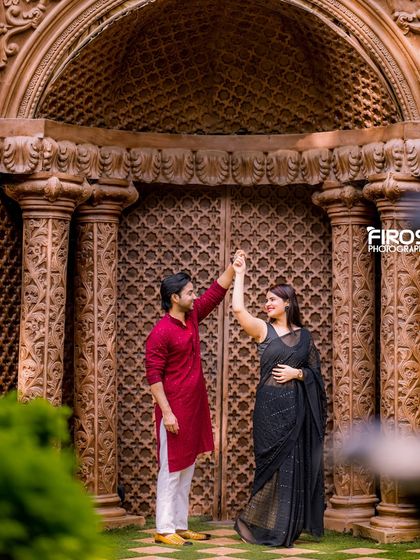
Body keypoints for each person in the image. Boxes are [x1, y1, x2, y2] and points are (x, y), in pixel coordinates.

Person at [145, 251, 243, 546]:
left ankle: (179, 524)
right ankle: (164, 529)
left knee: (186, 468)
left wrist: (234, 267)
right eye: (189, 292)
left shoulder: (192, 316)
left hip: (194, 407)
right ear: (175, 297)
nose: (194, 295)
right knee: (171, 469)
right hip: (173, 410)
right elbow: (154, 378)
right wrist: (168, 413)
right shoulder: (160, 333)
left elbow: (216, 292)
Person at [231, 252, 326, 547]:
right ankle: (259, 526)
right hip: (268, 411)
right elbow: (237, 310)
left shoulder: (305, 337)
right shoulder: (263, 329)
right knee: (269, 467)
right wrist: (240, 274)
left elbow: (315, 375)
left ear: (288, 303)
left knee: (293, 465)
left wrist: (298, 375)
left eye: (273, 299)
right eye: (266, 299)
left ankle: (286, 528)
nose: (268, 303)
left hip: (296, 412)